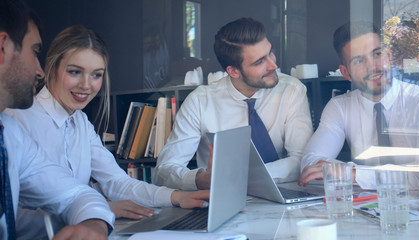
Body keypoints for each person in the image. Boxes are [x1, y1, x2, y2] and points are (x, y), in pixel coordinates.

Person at [5, 25, 210, 238]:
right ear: (51, 68)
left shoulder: (80, 122)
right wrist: (99, 211)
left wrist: (177, 197)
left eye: (96, 75)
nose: (86, 85)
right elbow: (14, 212)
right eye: (75, 72)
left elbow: (116, 182)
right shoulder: (17, 120)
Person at [154, 17, 313, 190]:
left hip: (284, 194)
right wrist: (201, 179)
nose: (273, 65)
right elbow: (163, 172)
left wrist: (246, 177)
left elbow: (302, 159)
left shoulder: (291, 90)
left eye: (270, 52)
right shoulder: (200, 102)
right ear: (233, 71)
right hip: (221, 196)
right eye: (260, 61)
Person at [0, 0, 114, 239]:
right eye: (34, 52)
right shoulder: (18, 121)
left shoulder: (9, 134)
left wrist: (93, 223)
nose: (39, 71)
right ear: (2, 47)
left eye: (96, 75)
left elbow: (75, 194)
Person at [299, 21, 419, 189]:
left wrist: (352, 173)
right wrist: (347, 172)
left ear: (388, 56)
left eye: (377, 54)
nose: (372, 67)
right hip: (365, 206)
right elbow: (310, 163)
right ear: (346, 73)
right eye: (359, 61)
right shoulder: (340, 107)